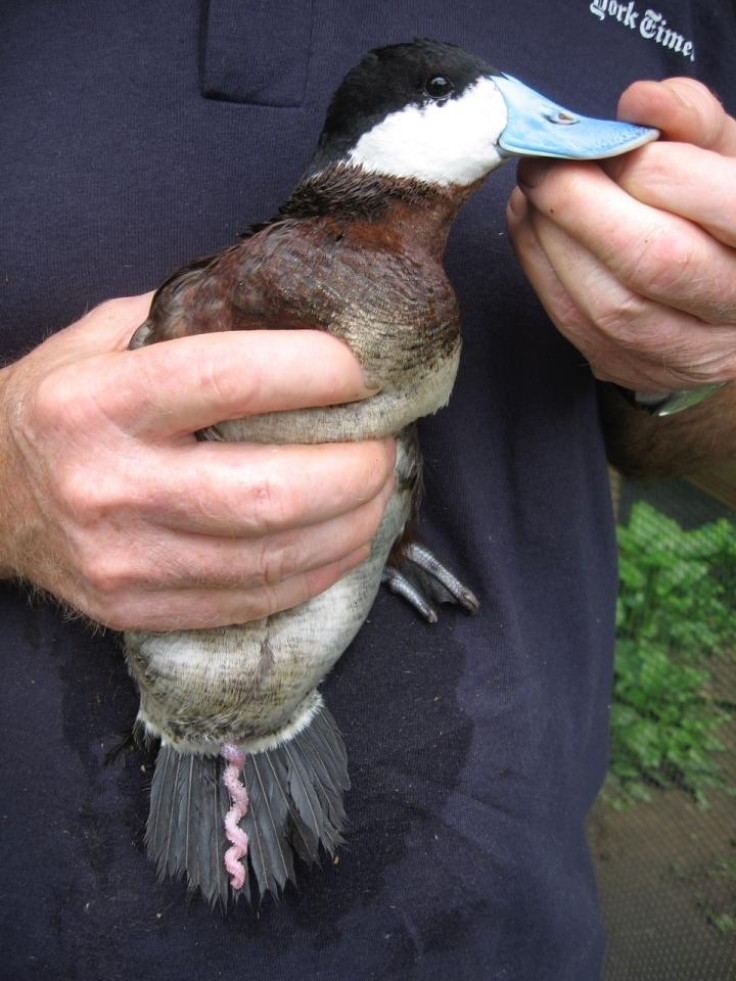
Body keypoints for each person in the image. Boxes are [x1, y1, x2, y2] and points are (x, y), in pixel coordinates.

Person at [0, 2, 734, 979]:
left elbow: (696, 448)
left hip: (491, 918)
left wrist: (700, 361)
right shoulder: (240, 282)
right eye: (453, 94)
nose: (539, 115)